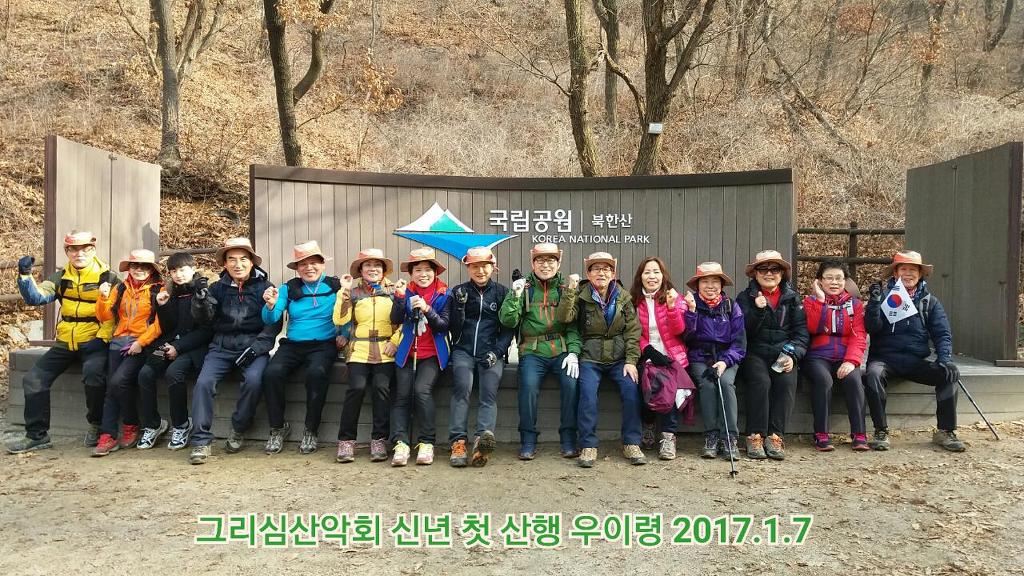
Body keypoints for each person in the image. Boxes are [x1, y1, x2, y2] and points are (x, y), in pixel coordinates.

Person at [7, 231, 118, 454]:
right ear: (67, 252)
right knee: (33, 379)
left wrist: (103, 338)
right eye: (73, 249)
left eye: (85, 249)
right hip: (65, 341)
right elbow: (36, 298)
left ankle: (96, 424)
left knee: (94, 376)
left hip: (95, 339)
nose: (79, 254)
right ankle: (37, 435)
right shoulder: (61, 277)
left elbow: (116, 313)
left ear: (93, 250)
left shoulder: (108, 277)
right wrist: (25, 276)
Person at [188, 237, 282, 465]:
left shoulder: (265, 287)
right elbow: (205, 321)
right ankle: (200, 440)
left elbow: (273, 325)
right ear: (225, 263)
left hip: (253, 345)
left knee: (254, 381)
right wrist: (200, 301)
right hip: (221, 346)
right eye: (232, 259)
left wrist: (256, 349)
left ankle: (239, 427)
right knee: (203, 383)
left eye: (243, 259)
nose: (237, 264)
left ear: (252, 262)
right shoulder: (217, 288)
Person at [864, 250, 964, 452]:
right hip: (884, 359)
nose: (908, 274)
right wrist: (874, 304)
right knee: (873, 374)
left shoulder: (929, 302)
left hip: (915, 360)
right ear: (895, 273)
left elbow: (942, 333)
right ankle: (880, 431)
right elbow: (871, 328)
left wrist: (945, 358)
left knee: (948, 374)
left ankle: (946, 431)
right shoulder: (883, 297)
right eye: (903, 269)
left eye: (913, 270)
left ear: (920, 274)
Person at [559, 252, 644, 468]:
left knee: (631, 389)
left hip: (618, 358)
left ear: (613, 274)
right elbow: (565, 318)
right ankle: (588, 444)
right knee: (587, 395)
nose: (601, 273)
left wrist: (631, 360)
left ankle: (631, 442)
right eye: (596, 269)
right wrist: (570, 291)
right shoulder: (581, 295)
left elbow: (633, 331)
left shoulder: (623, 297)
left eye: (606, 269)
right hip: (590, 357)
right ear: (588, 274)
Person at [499, 242, 581, 461]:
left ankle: (568, 439)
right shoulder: (524, 287)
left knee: (571, 385)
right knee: (527, 387)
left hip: (561, 349)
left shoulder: (565, 289)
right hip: (532, 351)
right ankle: (528, 440)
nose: (546, 265)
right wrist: (515, 296)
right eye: (541, 260)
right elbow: (508, 321)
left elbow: (573, 326)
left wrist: (573, 352)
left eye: (551, 260)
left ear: (558, 263)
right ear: (533, 263)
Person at [261, 241, 342, 456]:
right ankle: (277, 427)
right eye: (303, 264)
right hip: (293, 344)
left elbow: (348, 313)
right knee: (271, 373)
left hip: (323, 344)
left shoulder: (335, 286)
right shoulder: (288, 288)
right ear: (297, 268)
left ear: (323, 264)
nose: (309, 268)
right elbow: (271, 318)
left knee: (316, 373)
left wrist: (344, 334)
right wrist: (270, 305)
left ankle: (311, 429)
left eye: (314, 262)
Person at [735, 250, 809, 461]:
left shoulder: (793, 298)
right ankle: (755, 435)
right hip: (754, 352)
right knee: (761, 382)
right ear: (755, 273)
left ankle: (776, 436)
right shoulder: (745, 297)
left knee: (786, 382)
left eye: (775, 269)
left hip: (783, 352)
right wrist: (757, 311)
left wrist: (793, 356)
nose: (769, 273)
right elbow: (743, 332)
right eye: (763, 269)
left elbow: (801, 334)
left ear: (782, 273)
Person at [136, 251, 212, 450]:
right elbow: (169, 327)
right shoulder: (170, 292)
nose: (178, 274)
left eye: (183, 269)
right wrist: (163, 306)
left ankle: (181, 425)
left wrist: (178, 347)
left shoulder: (203, 290)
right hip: (171, 344)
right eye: (174, 271)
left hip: (194, 348)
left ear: (193, 269)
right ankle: (153, 424)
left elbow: (206, 330)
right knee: (145, 373)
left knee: (174, 372)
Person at [92, 249, 164, 456]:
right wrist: (103, 298)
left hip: (143, 343)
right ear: (129, 268)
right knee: (111, 388)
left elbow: (160, 323)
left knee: (118, 381)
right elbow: (104, 316)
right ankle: (107, 435)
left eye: (144, 266)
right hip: (119, 341)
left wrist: (141, 342)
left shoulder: (158, 289)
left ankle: (131, 423)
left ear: (152, 269)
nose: (138, 269)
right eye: (134, 265)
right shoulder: (121, 287)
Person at [448, 246, 515, 468]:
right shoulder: (459, 291)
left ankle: (481, 442)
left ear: (493, 267)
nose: (480, 271)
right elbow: (452, 328)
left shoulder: (502, 293)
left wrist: (497, 352)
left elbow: (508, 329)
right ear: (468, 268)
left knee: (488, 394)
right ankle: (458, 442)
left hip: (491, 352)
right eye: (475, 266)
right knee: (462, 389)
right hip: (463, 351)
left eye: (484, 266)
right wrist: (459, 308)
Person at [334, 248, 402, 463]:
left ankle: (379, 439)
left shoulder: (394, 291)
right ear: (361, 270)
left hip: (386, 349)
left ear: (383, 269)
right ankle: (346, 440)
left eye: (377, 265)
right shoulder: (353, 292)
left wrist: (395, 342)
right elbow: (340, 320)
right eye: (368, 265)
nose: (373, 269)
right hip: (360, 350)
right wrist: (343, 292)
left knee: (382, 389)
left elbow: (405, 321)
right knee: (356, 388)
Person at [389, 247, 452, 466]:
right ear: (411, 273)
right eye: (418, 270)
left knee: (421, 391)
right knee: (402, 395)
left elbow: (443, 325)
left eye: (427, 270)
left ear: (435, 272)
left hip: (432, 353)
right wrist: (399, 298)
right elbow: (395, 319)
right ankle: (401, 442)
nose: (423, 274)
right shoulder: (405, 291)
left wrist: (427, 309)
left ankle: (426, 442)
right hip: (407, 352)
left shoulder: (445, 294)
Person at [803, 259, 869, 452]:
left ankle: (859, 434)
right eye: (829, 278)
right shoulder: (810, 302)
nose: (834, 282)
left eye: (839, 278)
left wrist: (851, 361)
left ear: (845, 281)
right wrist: (820, 301)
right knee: (823, 380)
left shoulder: (855, 305)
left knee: (854, 381)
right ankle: (821, 433)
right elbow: (812, 328)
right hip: (817, 356)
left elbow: (859, 335)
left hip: (845, 356)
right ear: (819, 281)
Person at [683, 262, 746, 460]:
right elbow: (686, 337)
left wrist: (725, 361)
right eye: (705, 281)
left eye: (715, 281)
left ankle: (729, 437)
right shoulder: (689, 304)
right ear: (697, 285)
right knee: (707, 384)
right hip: (700, 357)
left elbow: (739, 343)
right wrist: (691, 313)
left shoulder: (731, 306)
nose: (710, 286)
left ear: (721, 285)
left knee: (726, 383)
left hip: (727, 357)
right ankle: (711, 435)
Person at [629, 256, 688, 461]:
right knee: (643, 383)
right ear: (640, 277)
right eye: (647, 272)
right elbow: (634, 332)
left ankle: (668, 436)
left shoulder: (674, 297)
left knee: (667, 384)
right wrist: (648, 350)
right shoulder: (634, 301)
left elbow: (679, 330)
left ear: (663, 276)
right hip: (647, 354)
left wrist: (671, 307)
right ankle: (648, 425)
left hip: (672, 355)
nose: (652, 276)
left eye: (656, 272)